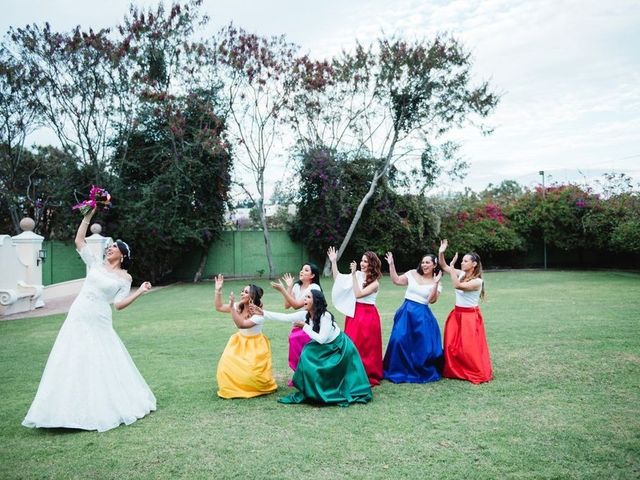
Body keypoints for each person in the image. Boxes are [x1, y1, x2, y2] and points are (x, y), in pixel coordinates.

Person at [22, 208, 156, 432]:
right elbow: (78, 239)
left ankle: (102, 405)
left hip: (100, 318)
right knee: (71, 354)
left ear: (121, 254)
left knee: (99, 357)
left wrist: (140, 291)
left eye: (113, 247)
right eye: (109, 246)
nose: (109, 248)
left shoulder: (125, 277)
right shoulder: (95, 263)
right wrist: (87, 216)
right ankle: (61, 410)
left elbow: (119, 305)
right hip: (79, 312)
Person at [254, 290, 372, 406]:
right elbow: (285, 317)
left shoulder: (325, 316)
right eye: (305, 297)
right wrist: (263, 313)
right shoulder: (304, 314)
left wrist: (304, 326)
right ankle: (311, 389)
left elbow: (321, 339)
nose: (304, 299)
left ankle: (326, 390)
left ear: (316, 301)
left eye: (308, 297)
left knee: (310, 354)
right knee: (306, 354)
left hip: (338, 347)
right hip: (325, 345)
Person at [383, 252, 444, 383]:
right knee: (398, 340)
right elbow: (396, 281)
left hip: (422, 315)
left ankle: (417, 369)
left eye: (427, 262)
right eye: (423, 262)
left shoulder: (437, 281)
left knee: (421, 345)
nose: (424, 265)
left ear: (434, 265)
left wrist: (436, 283)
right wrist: (391, 264)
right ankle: (397, 369)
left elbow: (431, 300)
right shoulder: (412, 273)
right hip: (406, 311)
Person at [438, 239, 493, 384]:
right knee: (451, 344)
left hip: (469, 316)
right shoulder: (462, 273)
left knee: (468, 346)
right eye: (462, 260)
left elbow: (457, 285)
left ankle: (472, 370)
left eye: (465, 261)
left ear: (474, 264)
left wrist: (451, 267)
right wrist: (441, 252)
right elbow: (442, 266)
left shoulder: (477, 282)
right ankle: (455, 370)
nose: (462, 263)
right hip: (456, 314)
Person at [214, 275, 277, 399]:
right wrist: (218, 290)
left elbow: (242, 324)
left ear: (252, 297)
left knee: (251, 375)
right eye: (242, 291)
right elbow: (219, 307)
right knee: (226, 365)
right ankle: (232, 387)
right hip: (238, 341)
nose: (242, 293)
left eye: (246, 292)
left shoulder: (259, 314)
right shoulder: (238, 305)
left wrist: (232, 307)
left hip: (255, 344)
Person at [328, 246, 383, 386]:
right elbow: (338, 279)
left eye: (366, 261)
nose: (363, 264)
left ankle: (367, 372)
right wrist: (334, 261)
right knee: (352, 342)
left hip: (368, 314)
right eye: (362, 261)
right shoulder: (357, 274)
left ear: (373, 264)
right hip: (354, 313)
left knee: (367, 345)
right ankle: (351, 370)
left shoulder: (375, 283)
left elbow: (358, 294)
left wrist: (353, 275)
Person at [269, 264, 322, 384]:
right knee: (294, 344)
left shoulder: (314, 287)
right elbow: (287, 305)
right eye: (302, 269)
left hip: (310, 323)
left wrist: (282, 289)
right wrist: (289, 287)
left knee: (302, 346)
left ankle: (308, 375)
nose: (302, 271)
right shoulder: (297, 286)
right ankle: (299, 375)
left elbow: (297, 305)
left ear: (312, 275)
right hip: (297, 322)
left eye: (306, 270)